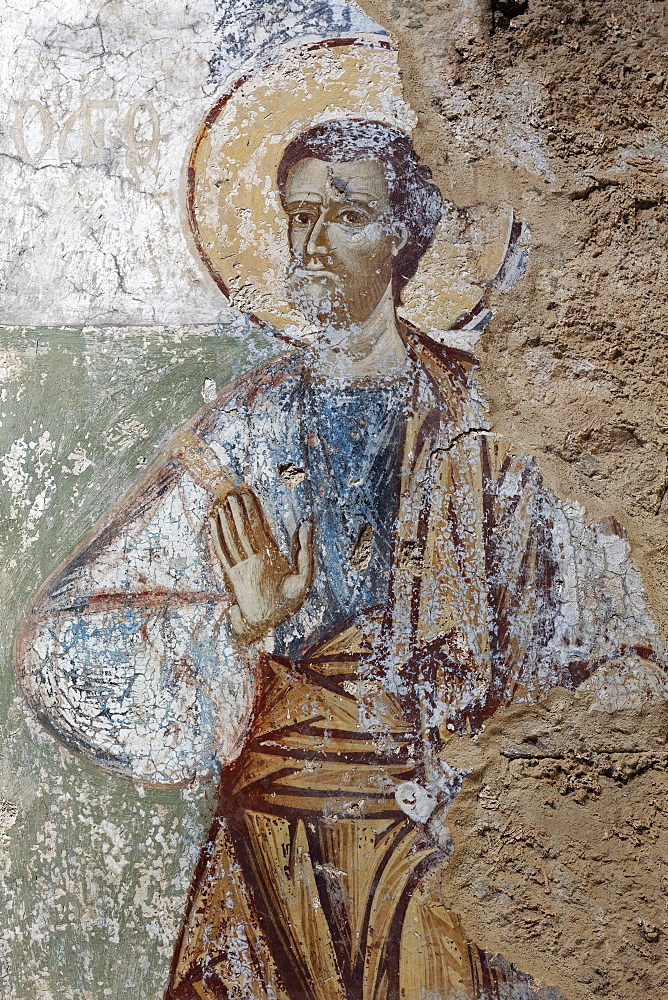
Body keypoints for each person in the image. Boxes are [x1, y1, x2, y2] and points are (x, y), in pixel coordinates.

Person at [17, 120, 668, 1000]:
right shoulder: (243, 430)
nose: (313, 242)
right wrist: (235, 625)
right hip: (269, 844)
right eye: (299, 215)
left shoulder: (485, 426)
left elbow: (614, 642)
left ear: (403, 237)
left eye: (346, 215)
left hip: (432, 842)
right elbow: (63, 639)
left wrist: (498, 756)